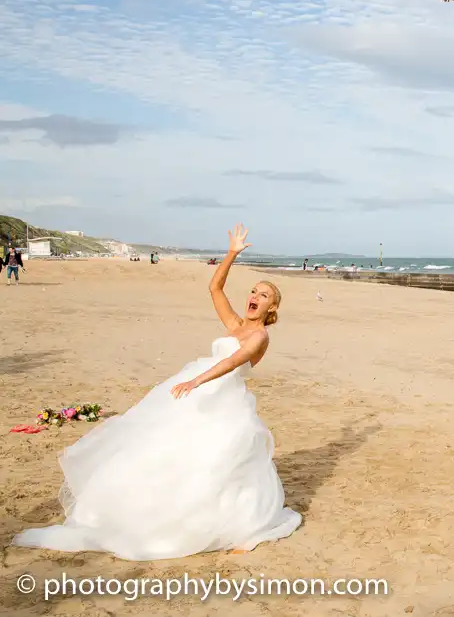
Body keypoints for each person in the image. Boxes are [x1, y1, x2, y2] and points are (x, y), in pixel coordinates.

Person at [11, 224, 302, 560]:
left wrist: (197, 381)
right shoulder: (236, 325)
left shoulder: (260, 337)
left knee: (223, 456)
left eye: (264, 295)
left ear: (272, 309)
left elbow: (233, 362)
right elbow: (214, 287)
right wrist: (232, 253)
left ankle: (231, 522)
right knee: (160, 443)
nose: (255, 296)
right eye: (254, 290)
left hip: (221, 395)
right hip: (197, 388)